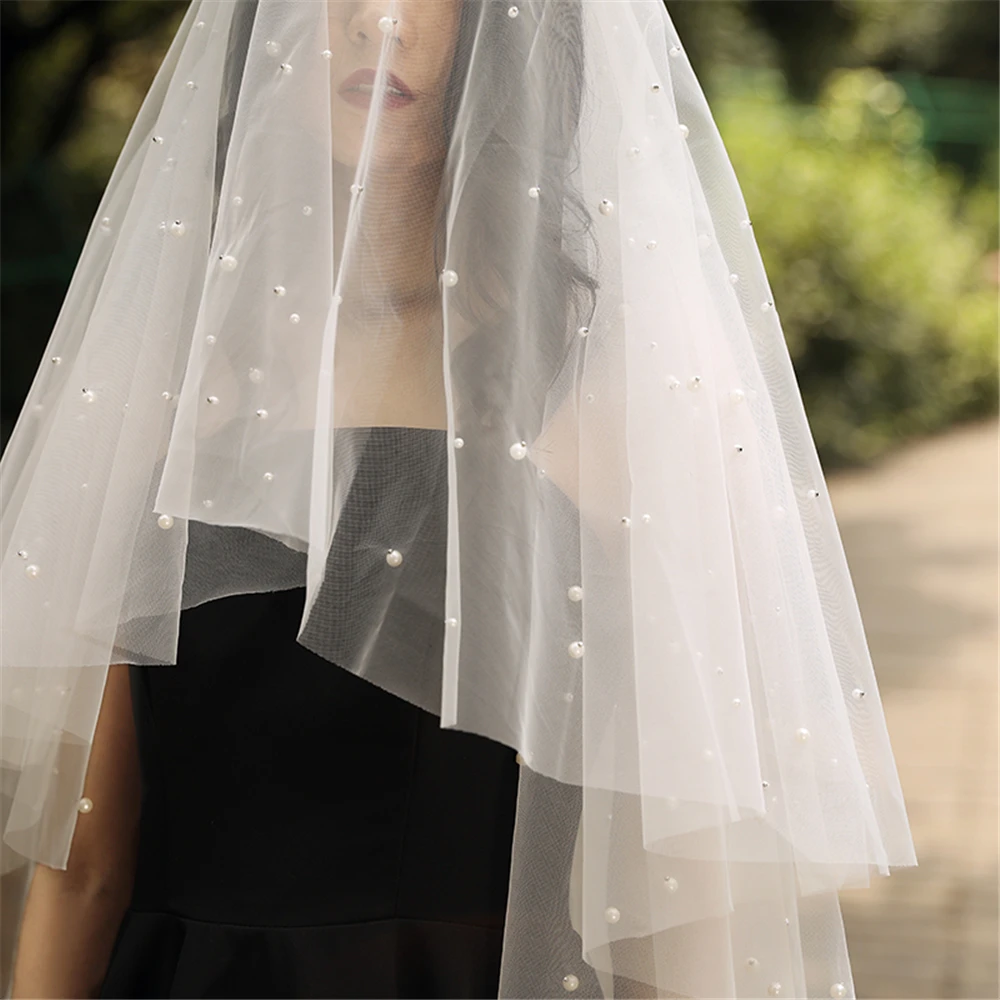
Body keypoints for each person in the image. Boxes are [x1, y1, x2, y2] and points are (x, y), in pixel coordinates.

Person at [1, 2, 917, 998]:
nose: (376, 20)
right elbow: (84, 863)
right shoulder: (175, 379)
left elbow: (687, 896)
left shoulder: (610, 399)